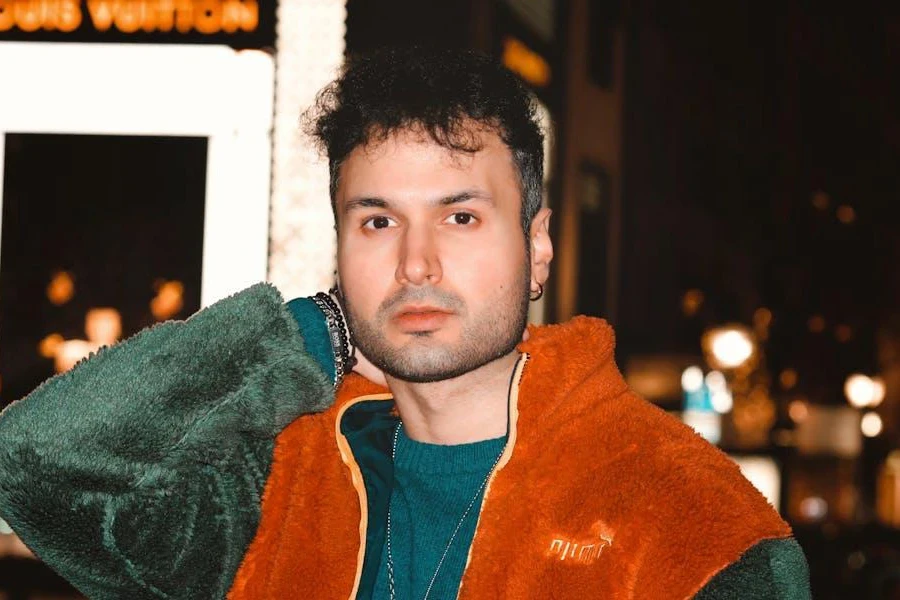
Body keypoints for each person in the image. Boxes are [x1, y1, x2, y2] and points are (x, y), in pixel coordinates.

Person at [0, 48, 810, 599]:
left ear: (537, 248)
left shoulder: (691, 523)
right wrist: (307, 336)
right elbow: (33, 462)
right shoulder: (275, 488)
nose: (415, 263)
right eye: (377, 222)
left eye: (460, 218)